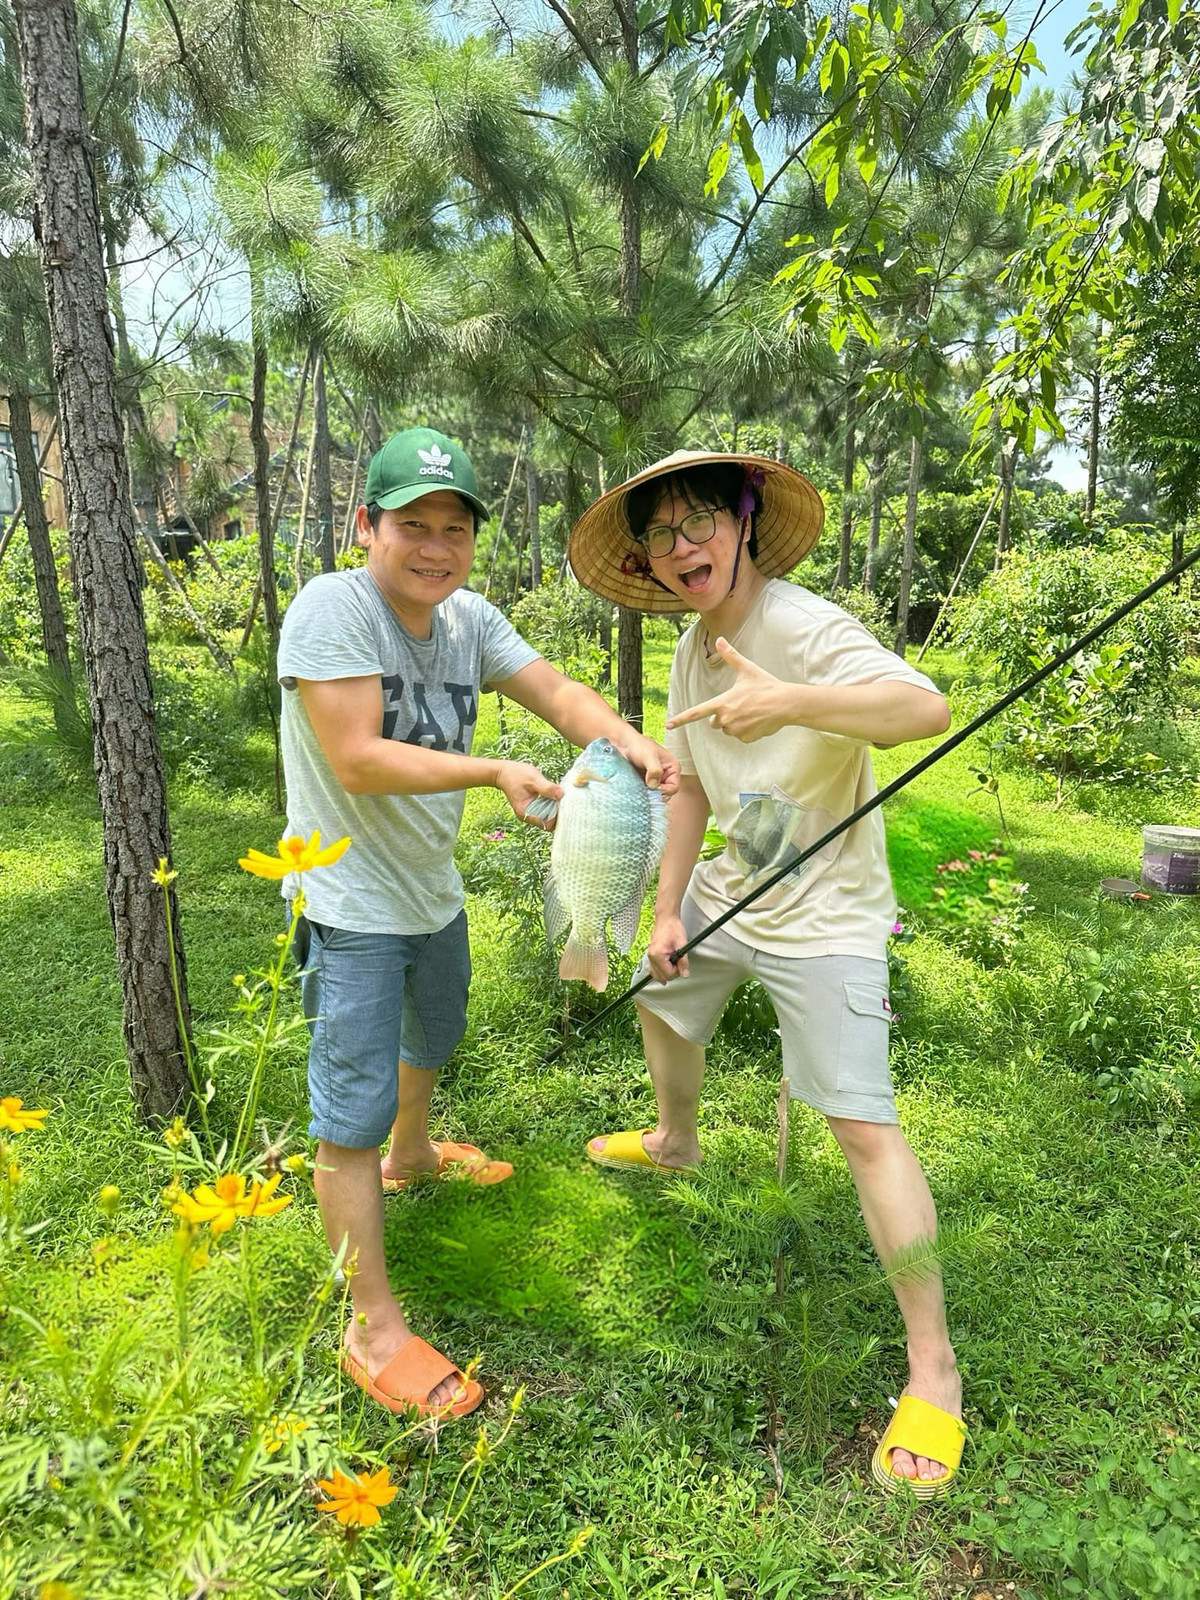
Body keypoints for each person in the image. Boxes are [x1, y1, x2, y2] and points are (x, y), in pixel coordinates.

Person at [567, 450, 966, 1497]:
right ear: (647, 561)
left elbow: (923, 711)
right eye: (659, 533)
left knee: (862, 1124)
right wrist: (664, 906)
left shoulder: (807, 627)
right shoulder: (695, 650)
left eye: (700, 519)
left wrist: (793, 702)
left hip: (827, 915)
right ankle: (676, 1138)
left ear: (745, 522)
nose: (682, 546)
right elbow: (691, 786)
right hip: (737, 887)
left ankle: (934, 1364)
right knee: (662, 986)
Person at [276, 426, 677, 1420]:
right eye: (413, 524)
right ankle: (371, 1323)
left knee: (435, 1035)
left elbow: (552, 690)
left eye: (455, 527)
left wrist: (621, 738)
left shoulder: (467, 618)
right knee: (349, 1108)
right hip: (347, 898)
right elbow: (358, 756)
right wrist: (496, 769)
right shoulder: (332, 609)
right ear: (366, 523)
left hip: (427, 891)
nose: (436, 546)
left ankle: (414, 1155)